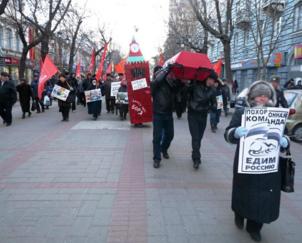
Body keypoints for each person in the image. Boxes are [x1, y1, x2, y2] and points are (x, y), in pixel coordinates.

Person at [224, 80, 289, 242]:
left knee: (264, 197)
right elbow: (228, 134)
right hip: (246, 164)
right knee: (243, 192)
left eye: (265, 96)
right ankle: (239, 214)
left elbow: (285, 134)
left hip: (268, 167)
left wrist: (285, 141)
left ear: (270, 98)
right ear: (252, 97)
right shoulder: (242, 113)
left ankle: (255, 227)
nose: (262, 98)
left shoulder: (277, 114)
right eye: (259, 95)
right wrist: (235, 133)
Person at [187, 70, 217, 169]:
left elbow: (217, 104)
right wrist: (191, 82)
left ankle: (194, 153)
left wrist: (213, 107)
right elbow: (185, 92)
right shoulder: (195, 85)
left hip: (203, 116)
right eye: (210, 79)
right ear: (206, 78)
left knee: (199, 138)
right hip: (193, 115)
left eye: (213, 80)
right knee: (195, 137)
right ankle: (197, 159)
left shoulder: (213, 90)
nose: (211, 82)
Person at [151, 65, 176, 169]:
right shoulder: (154, 84)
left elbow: (177, 89)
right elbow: (157, 80)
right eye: (159, 72)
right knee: (157, 137)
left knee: (170, 135)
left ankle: (164, 149)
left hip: (168, 114)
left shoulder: (170, 82)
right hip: (158, 113)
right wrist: (166, 70)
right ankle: (157, 158)